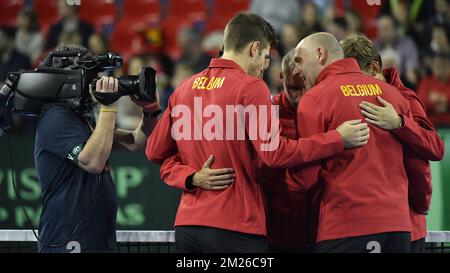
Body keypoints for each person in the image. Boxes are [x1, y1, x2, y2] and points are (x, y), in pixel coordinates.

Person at [146, 13, 369, 253]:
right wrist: (336, 139)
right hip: (236, 227)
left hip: (188, 228)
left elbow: (154, 152)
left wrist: (190, 178)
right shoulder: (251, 87)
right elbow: (274, 153)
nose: (264, 66)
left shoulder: (183, 89)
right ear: (254, 48)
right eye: (264, 57)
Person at [289, 32, 414, 253]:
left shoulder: (315, 99)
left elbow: (307, 176)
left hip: (347, 224)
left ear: (320, 54)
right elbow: (416, 162)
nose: (296, 69)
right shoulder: (393, 95)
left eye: (299, 59)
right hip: (399, 226)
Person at [34, 45, 160, 253]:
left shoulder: (83, 119)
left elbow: (137, 141)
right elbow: (92, 161)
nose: (95, 82)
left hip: (97, 239)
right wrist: (108, 106)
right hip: (67, 242)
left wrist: (150, 111)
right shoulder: (56, 117)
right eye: (91, 76)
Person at [341, 34, 445, 252]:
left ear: (373, 68)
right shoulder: (345, 98)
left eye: (353, 74)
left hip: (408, 224)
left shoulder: (405, 98)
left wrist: (399, 123)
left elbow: (435, 147)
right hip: (365, 221)